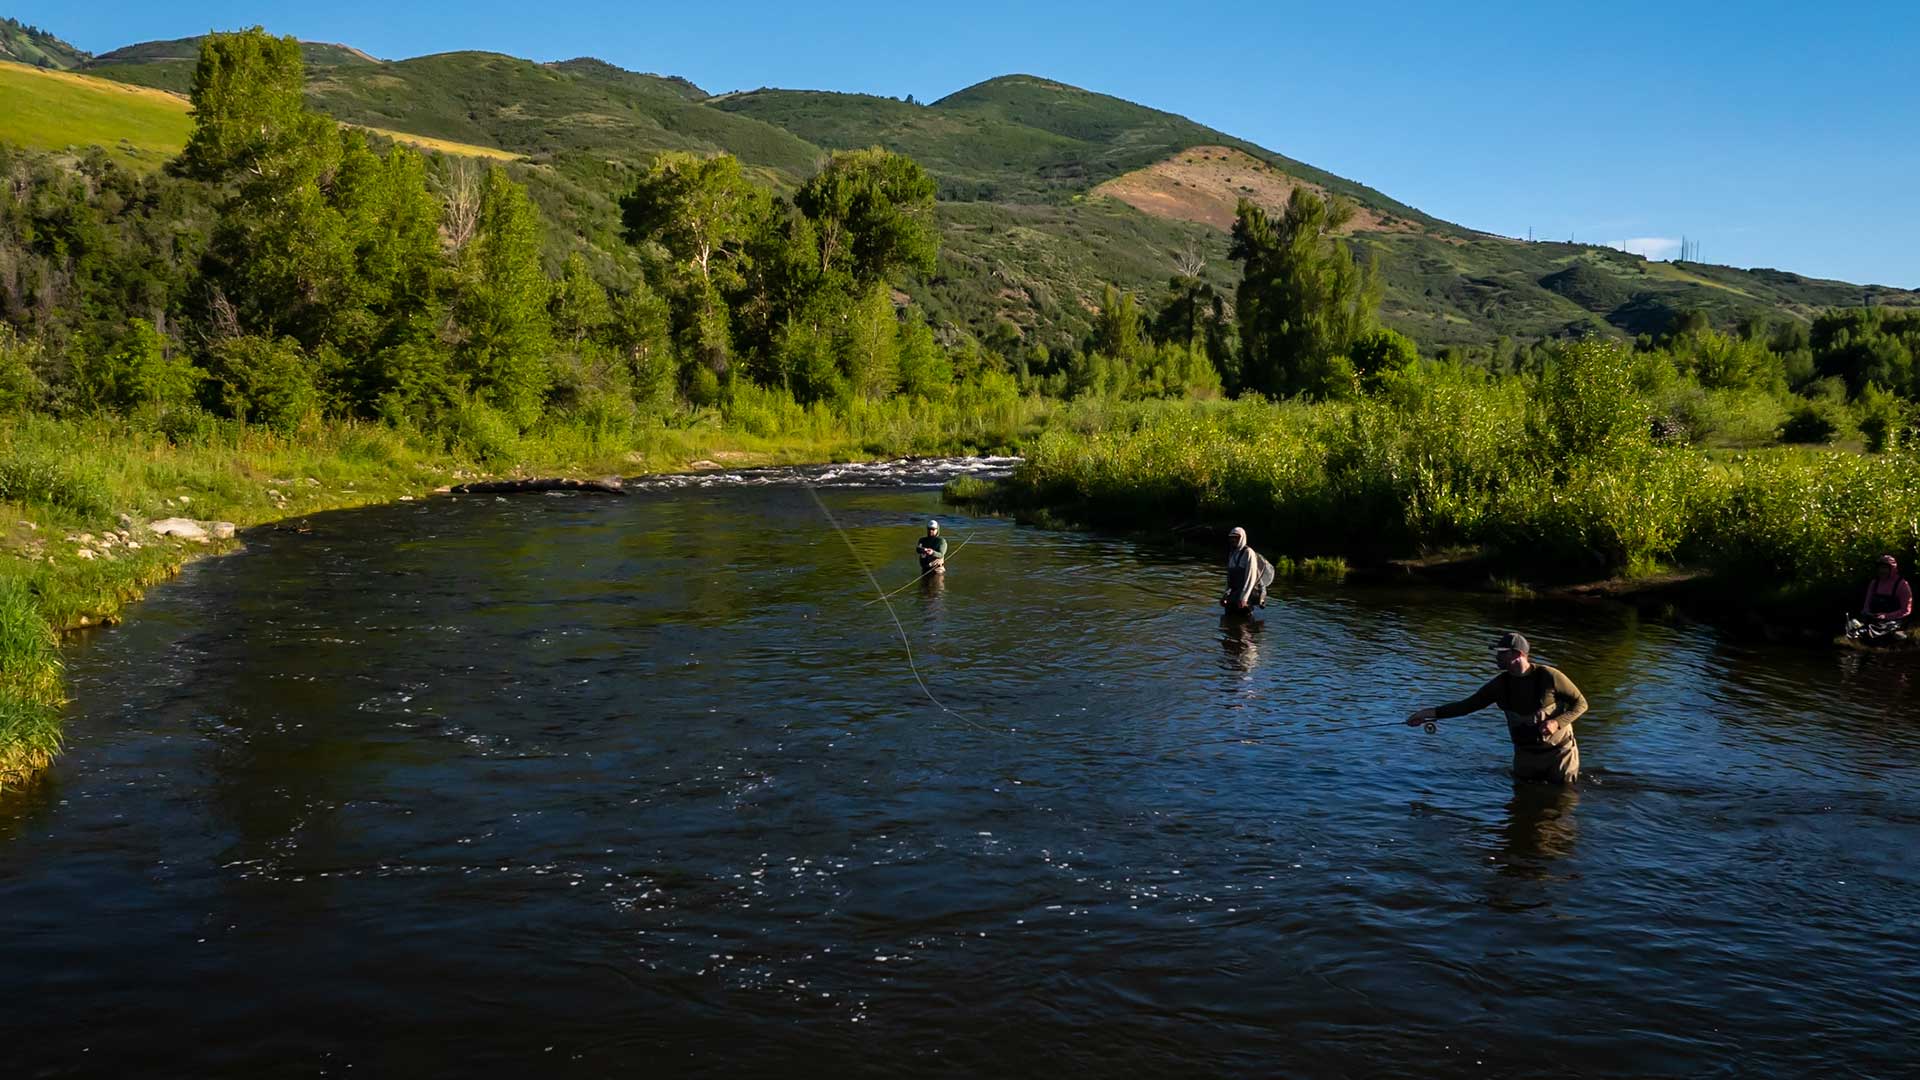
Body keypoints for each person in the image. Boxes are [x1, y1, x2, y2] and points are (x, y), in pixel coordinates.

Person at [1405, 631, 1587, 784]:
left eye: (1502, 653)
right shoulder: (1499, 685)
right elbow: (1466, 706)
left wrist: (1556, 722)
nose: (1497, 657)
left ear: (1518, 655)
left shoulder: (1549, 676)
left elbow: (1581, 704)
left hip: (1560, 754)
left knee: (1563, 802)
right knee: (1522, 804)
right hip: (1525, 756)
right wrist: (1428, 714)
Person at [1220, 527, 1276, 615]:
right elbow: (1229, 578)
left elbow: (1251, 578)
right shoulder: (1232, 553)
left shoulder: (1248, 553)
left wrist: (1244, 598)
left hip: (1246, 596)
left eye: (1236, 537)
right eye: (1231, 537)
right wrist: (1225, 595)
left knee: (1245, 625)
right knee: (1227, 622)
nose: (1233, 540)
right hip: (1234, 594)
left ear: (1242, 538)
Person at [1854, 555, 1912, 633]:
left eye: (1885, 568)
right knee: (1854, 626)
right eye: (1880, 568)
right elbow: (1867, 604)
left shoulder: (1902, 585)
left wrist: (1886, 616)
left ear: (1892, 569)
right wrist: (1867, 613)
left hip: (1893, 621)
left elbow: (1906, 610)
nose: (1881, 571)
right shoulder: (1874, 583)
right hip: (1874, 619)